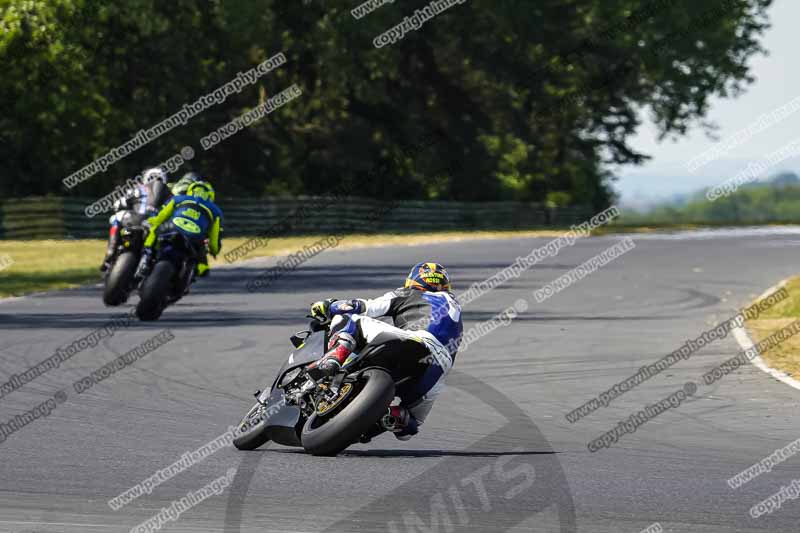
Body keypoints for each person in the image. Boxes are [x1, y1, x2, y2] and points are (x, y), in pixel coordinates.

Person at [308, 262, 462, 441]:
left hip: (416, 342)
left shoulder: (409, 293)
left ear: (413, 280)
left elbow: (363, 306)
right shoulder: (455, 308)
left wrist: (328, 305)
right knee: (409, 426)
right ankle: (386, 418)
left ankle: (336, 356)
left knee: (351, 319)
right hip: (437, 370)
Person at [136, 181, 223, 279]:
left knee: (155, 229)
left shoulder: (178, 199)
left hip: (170, 229)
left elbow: (160, 218)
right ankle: (195, 272)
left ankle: (146, 256)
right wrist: (214, 250)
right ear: (211, 195)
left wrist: (149, 221)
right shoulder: (216, 211)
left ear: (190, 190)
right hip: (194, 238)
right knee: (202, 265)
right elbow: (214, 239)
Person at [100, 167, 171, 272]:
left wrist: (118, 207)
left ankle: (111, 251)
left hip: (132, 219)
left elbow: (119, 203)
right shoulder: (169, 193)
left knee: (116, 218)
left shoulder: (137, 188)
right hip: (153, 224)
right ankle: (150, 262)